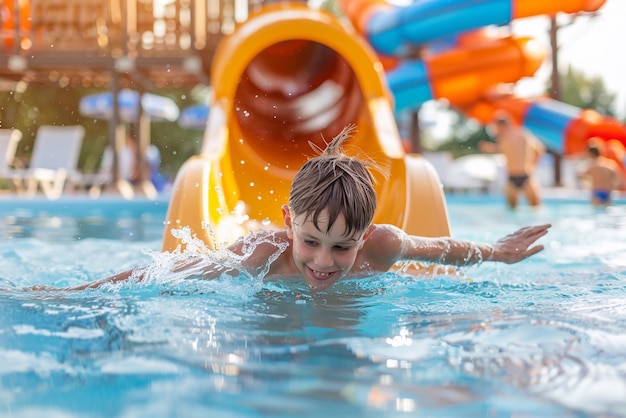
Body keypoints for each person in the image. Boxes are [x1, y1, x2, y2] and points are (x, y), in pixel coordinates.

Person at [47, 125, 550, 293]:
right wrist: (77, 293)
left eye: (342, 246)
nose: (323, 261)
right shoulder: (262, 251)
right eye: (311, 240)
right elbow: (166, 272)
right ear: (290, 222)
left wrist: (495, 252)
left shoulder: (384, 245)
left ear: (365, 234)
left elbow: (442, 248)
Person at [479, 111, 546, 209]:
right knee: (514, 209)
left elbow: (539, 149)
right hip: (513, 177)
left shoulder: (521, 135)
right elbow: (497, 149)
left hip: (526, 176)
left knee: (535, 207)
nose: (494, 130)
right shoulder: (504, 139)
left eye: (495, 127)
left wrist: (532, 165)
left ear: (501, 126)